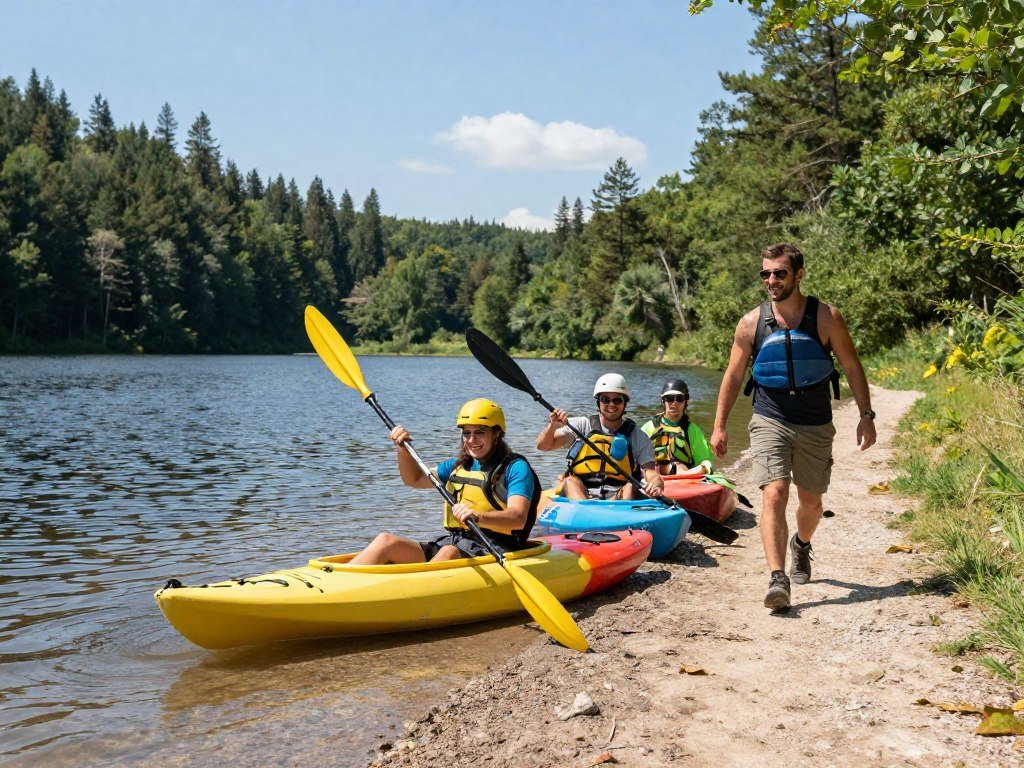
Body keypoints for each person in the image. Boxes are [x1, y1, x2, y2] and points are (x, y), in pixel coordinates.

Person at [709, 243, 876, 611]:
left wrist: (866, 414)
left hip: (815, 421)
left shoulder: (826, 317)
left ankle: (801, 544)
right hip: (770, 416)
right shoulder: (751, 323)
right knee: (774, 492)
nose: (771, 280)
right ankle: (777, 578)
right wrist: (720, 425)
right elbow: (734, 375)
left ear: (798, 275)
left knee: (811, 502)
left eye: (779, 273)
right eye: (765, 273)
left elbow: (851, 366)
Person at [350, 399, 541, 564]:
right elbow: (414, 479)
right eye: (467, 433)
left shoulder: (515, 468)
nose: (472, 440)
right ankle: (335, 585)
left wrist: (478, 517)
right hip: (457, 542)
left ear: (496, 434)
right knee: (386, 542)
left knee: (448, 552)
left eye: (480, 432)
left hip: (498, 548)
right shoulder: (459, 465)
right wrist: (402, 449)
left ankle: (411, 594)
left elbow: (518, 518)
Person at [536, 373, 664, 500]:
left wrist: (655, 486)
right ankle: (585, 514)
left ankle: (621, 517)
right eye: (605, 400)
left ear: (625, 403)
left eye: (617, 400)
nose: (611, 404)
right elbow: (543, 446)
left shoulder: (637, 436)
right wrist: (553, 426)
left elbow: (651, 473)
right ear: (598, 402)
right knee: (570, 482)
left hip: (617, 496)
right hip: (581, 493)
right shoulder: (581, 426)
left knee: (631, 487)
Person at [640, 378, 715, 475]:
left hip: (684, 475)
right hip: (654, 474)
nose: (674, 403)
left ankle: (677, 471)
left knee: (695, 465)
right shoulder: (649, 428)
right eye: (670, 398)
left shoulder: (692, 430)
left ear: (685, 402)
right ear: (663, 401)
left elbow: (703, 460)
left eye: (679, 399)